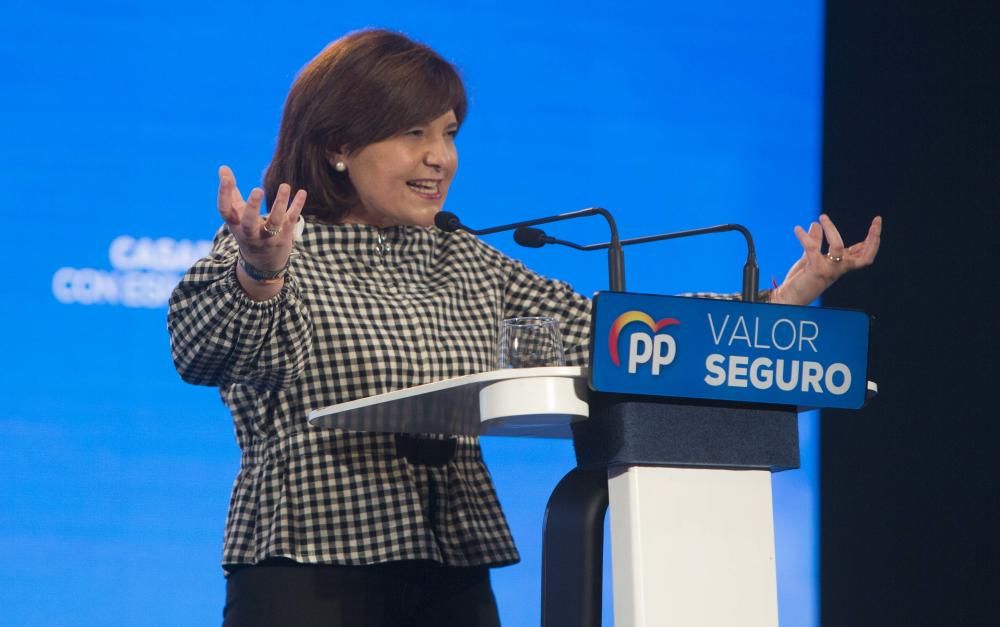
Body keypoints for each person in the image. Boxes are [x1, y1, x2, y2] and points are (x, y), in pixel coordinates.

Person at [167, 29, 881, 627]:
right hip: (309, 571)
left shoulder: (464, 256)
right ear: (337, 147)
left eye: (447, 133)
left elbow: (619, 335)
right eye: (412, 132)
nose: (439, 157)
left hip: (450, 570)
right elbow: (201, 350)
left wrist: (788, 297)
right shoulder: (277, 247)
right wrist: (259, 270)